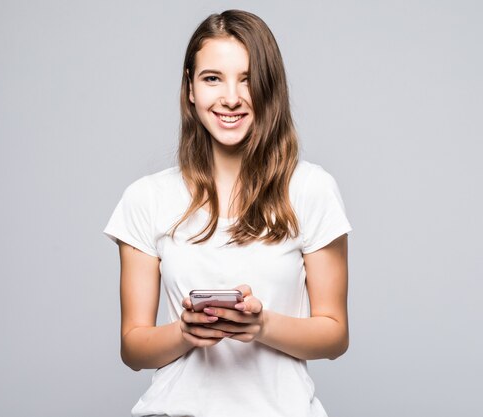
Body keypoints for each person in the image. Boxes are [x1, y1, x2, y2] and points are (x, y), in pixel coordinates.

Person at [104, 9, 352, 417]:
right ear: (190, 88)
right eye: (212, 78)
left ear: (268, 87)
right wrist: (186, 332)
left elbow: (335, 334)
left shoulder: (311, 189)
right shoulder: (146, 198)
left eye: (247, 79)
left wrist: (262, 326)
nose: (231, 98)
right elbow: (133, 347)